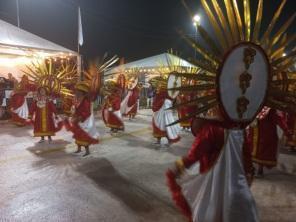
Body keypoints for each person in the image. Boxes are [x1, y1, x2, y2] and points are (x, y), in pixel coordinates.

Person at [166, 116, 258, 222]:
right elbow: (246, 155)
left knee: (210, 209)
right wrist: (249, 172)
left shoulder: (211, 129)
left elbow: (195, 154)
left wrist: (178, 167)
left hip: (213, 180)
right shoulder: (239, 130)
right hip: (235, 179)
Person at [247, 107, 290, 177]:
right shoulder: (255, 104)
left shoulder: (271, 109)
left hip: (265, 134)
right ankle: (251, 169)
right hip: (255, 130)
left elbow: (279, 119)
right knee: (252, 149)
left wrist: (286, 130)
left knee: (262, 151)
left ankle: (259, 170)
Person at [65, 82, 99, 156]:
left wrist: (80, 118)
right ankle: (79, 149)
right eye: (76, 91)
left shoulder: (86, 101)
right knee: (78, 136)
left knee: (84, 136)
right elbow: (74, 109)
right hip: (77, 121)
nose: (76, 92)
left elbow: (87, 112)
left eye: (78, 91)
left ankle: (87, 151)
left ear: (82, 93)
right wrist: (73, 113)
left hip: (84, 122)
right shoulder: (77, 100)